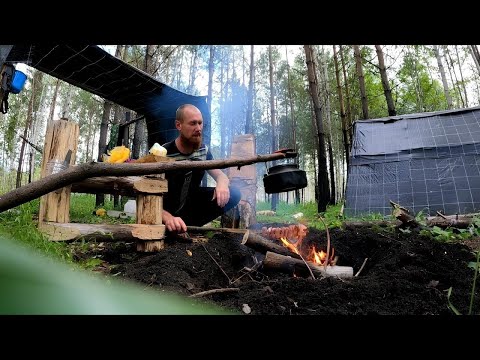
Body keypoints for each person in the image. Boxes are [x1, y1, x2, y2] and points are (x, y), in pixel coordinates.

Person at [161, 104, 241, 233]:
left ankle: (189, 227)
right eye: (193, 123)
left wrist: (222, 184)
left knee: (234, 193)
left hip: (191, 205)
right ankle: (173, 226)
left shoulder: (203, 151)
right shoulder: (163, 152)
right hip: (165, 210)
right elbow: (146, 195)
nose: (198, 128)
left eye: (200, 123)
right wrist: (167, 217)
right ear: (178, 125)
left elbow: (221, 176)